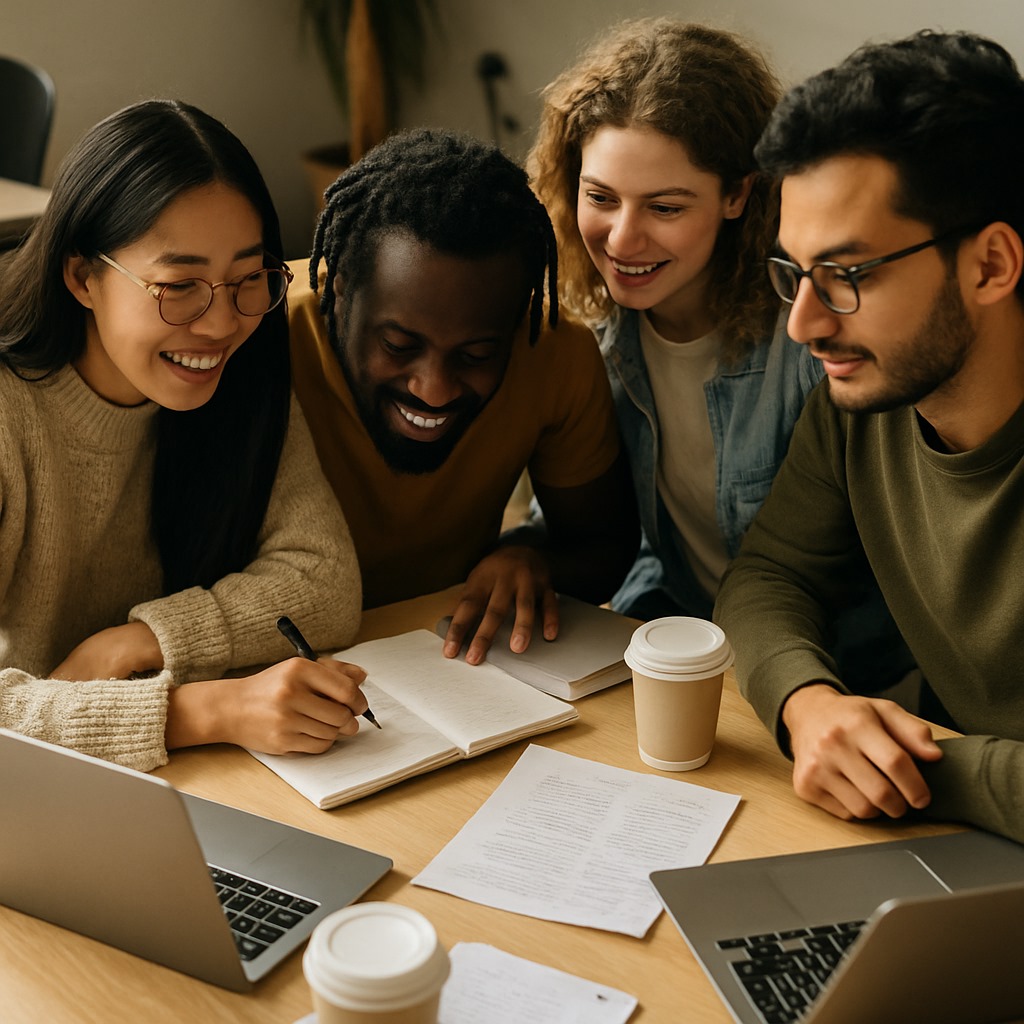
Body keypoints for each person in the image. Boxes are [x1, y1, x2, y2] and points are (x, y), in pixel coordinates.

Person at [714, 30, 1024, 842]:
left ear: (990, 265)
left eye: (848, 276)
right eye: (794, 273)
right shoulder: (865, 399)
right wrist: (807, 705)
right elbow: (769, 575)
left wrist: (918, 771)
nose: (804, 325)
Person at [0, 100, 369, 773]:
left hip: (163, 787)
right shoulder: (7, 414)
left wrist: (137, 641)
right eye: (180, 285)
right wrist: (205, 711)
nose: (221, 323)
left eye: (247, 278)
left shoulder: (245, 369)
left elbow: (325, 581)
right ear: (83, 276)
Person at [288, 127, 638, 665]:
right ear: (339, 287)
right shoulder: (256, 339)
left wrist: (530, 558)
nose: (434, 388)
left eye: (476, 355)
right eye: (399, 345)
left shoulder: (553, 351)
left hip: (446, 664)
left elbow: (603, 546)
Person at [528, 19, 827, 626]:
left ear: (739, 195)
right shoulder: (594, 336)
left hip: (839, 675)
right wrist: (527, 554)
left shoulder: (812, 340)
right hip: (686, 647)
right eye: (601, 197)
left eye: (664, 207)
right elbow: (619, 535)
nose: (622, 238)